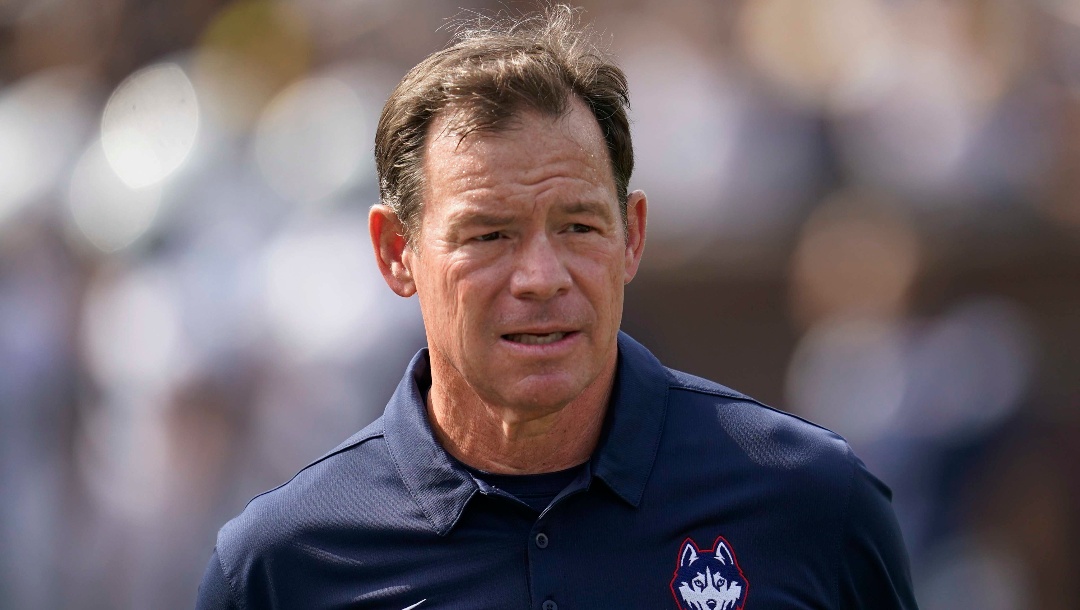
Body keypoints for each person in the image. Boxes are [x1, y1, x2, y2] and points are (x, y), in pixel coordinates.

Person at [197, 6, 918, 609]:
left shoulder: (813, 502)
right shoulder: (282, 564)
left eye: (578, 227)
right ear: (396, 253)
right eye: (489, 234)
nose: (541, 277)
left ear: (631, 236)